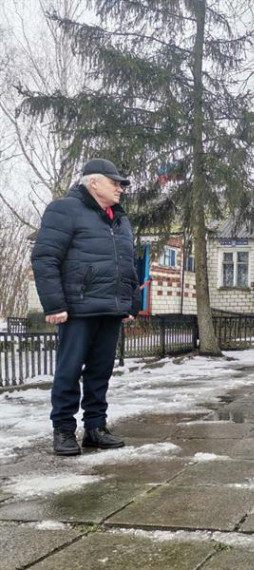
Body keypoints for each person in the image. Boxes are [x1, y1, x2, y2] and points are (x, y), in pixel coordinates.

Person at [32, 158, 140, 455]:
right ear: (93, 182)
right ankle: (64, 430)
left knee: (100, 371)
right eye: (114, 182)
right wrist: (54, 304)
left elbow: (128, 265)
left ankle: (95, 427)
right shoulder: (64, 210)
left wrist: (131, 302)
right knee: (69, 371)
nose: (120, 188)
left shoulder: (119, 219)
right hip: (77, 308)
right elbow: (45, 258)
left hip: (111, 307)